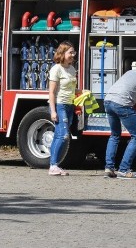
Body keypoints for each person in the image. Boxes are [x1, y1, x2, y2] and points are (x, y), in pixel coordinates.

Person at [47, 41, 77, 176]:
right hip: (60, 105)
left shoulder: (71, 69)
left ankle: (53, 165)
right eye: (70, 52)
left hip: (70, 105)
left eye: (73, 52)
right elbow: (52, 92)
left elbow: (71, 88)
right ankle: (53, 166)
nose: (73, 55)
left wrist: (83, 93)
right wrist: (53, 111)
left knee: (59, 135)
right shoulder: (56, 69)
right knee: (64, 135)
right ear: (62, 53)